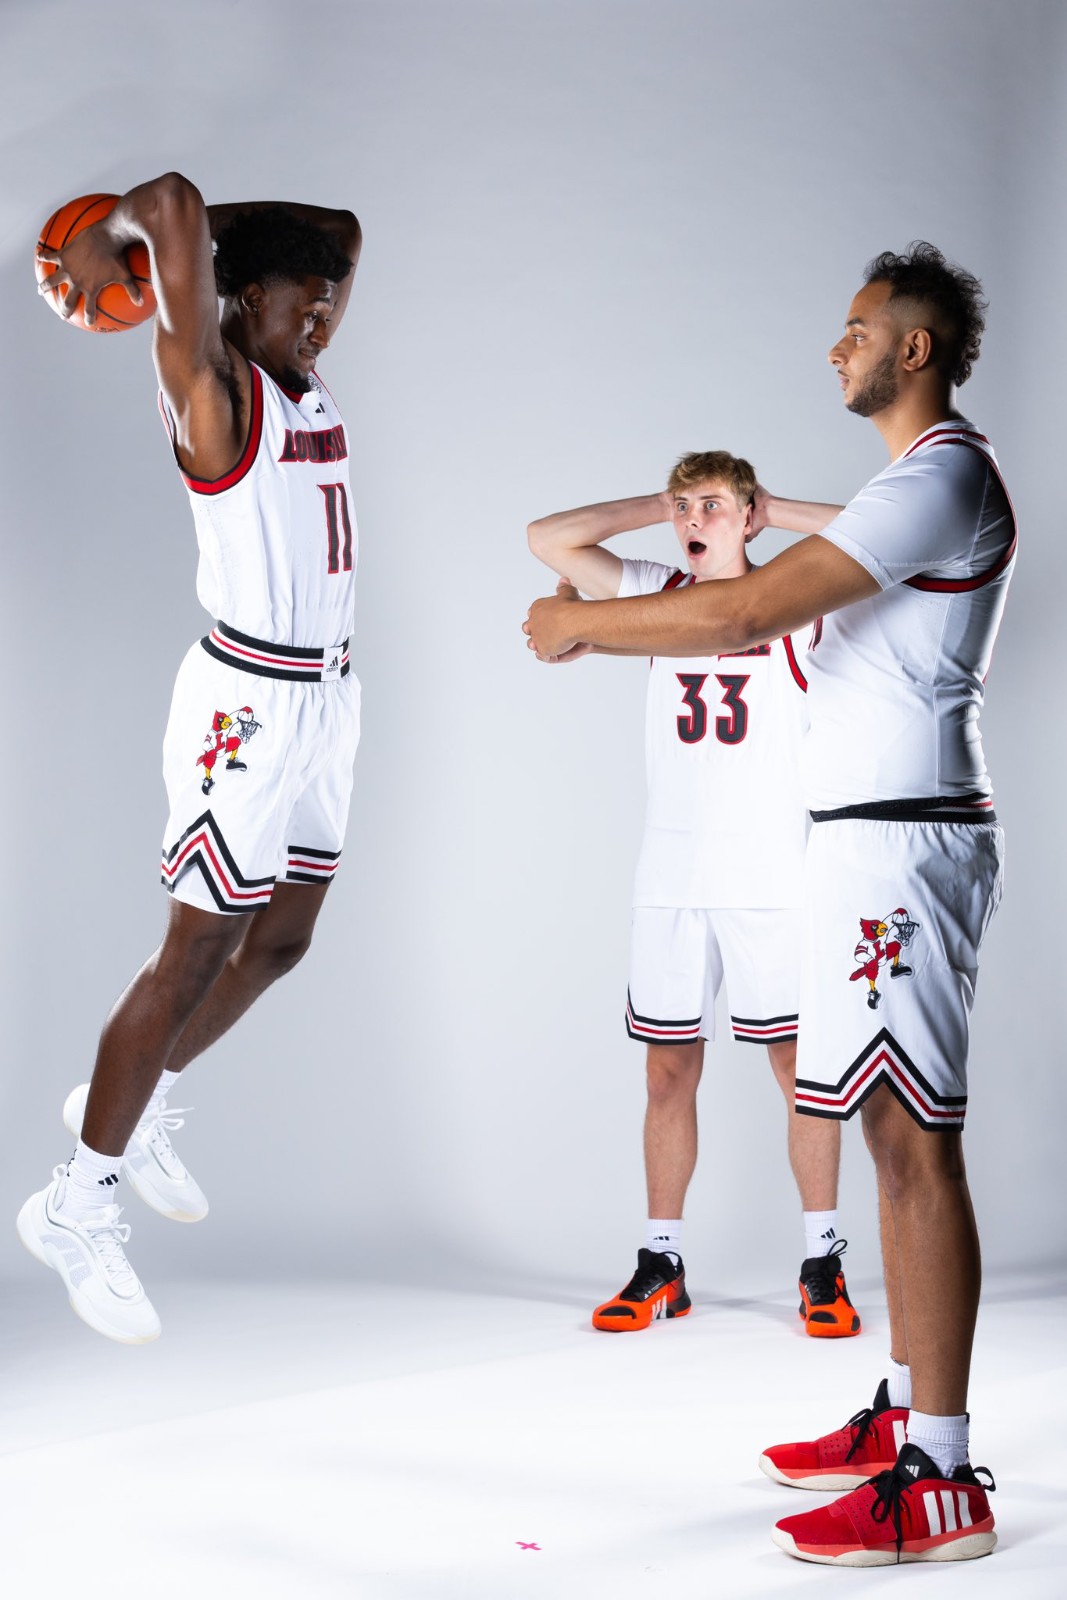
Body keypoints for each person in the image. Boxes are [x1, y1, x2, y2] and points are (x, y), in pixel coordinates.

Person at [524, 242, 1012, 1566]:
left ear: (912, 347)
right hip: (852, 844)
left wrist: (580, 626)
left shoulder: (940, 473)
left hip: (901, 840)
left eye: (856, 328)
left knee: (912, 1146)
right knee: (883, 1134)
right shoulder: (901, 483)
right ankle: (906, 1407)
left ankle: (941, 1478)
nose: (834, 346)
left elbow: (739, 612)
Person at [18, 175, 362, 1343]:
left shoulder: (297, 371)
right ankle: (75, 1204)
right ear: (241, 298)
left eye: (327, 307)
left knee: (283, 940)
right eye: (304, 305)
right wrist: (138, 248)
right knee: (196, 948)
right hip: (247, 701)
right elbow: (168, 197)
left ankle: (139, 1096)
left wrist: (252, 252)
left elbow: (342, 232)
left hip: (329, 696)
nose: (323, 322)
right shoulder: (210, 391)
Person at [528, 453, 859, 1338]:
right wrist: (662, 505)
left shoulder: (793, 599)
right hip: (671, 872)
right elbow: (548, 539)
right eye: (684, 507)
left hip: (770, 874)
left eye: (710, 506)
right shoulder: (655, 591)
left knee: (799, 1073)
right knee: (666, 1070)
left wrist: (767, 510)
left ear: (747, 515)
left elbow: (877, 537)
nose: (691, 520)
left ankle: (821, 1262)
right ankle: (661, 1262)